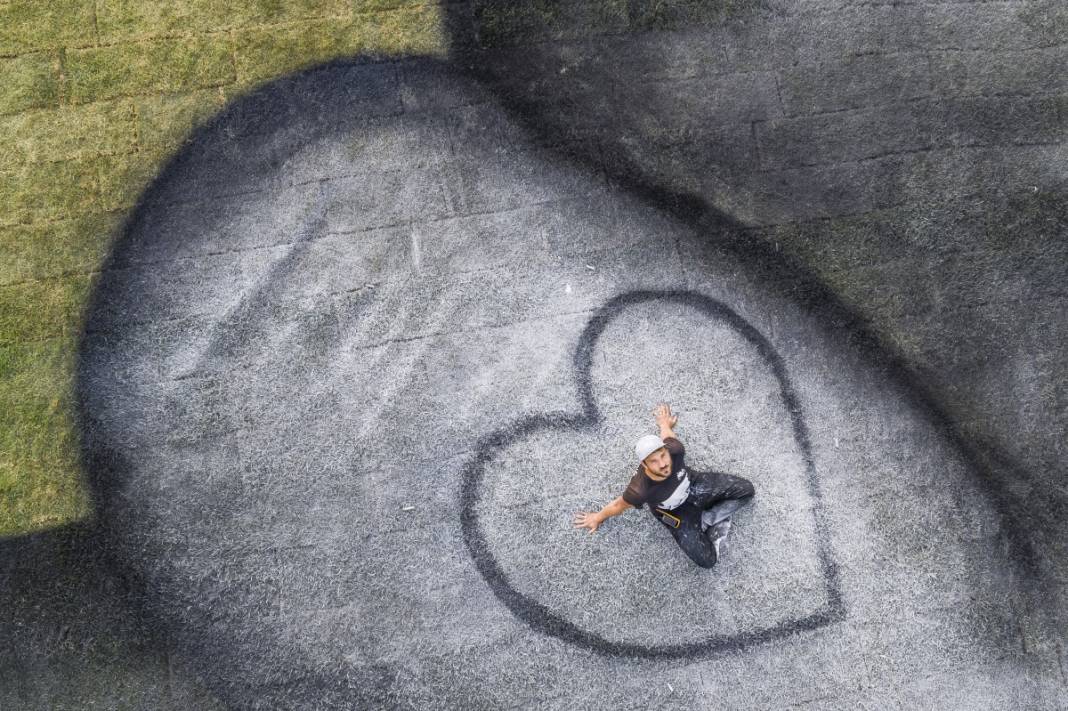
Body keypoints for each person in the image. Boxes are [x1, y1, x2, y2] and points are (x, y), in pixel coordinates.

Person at [572, 403, 755, 568]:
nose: (662, 464)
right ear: (644, 465)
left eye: (663, 456)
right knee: (707, 561)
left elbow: (668, 437)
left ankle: (707, 519)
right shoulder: (639, 490)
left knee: (746, 491)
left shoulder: (674, 450)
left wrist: (664, 425)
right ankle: (704, 521)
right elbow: (618, 505)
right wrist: (597, 517)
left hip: (695, 486)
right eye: (653, 461)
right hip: (675, 512)